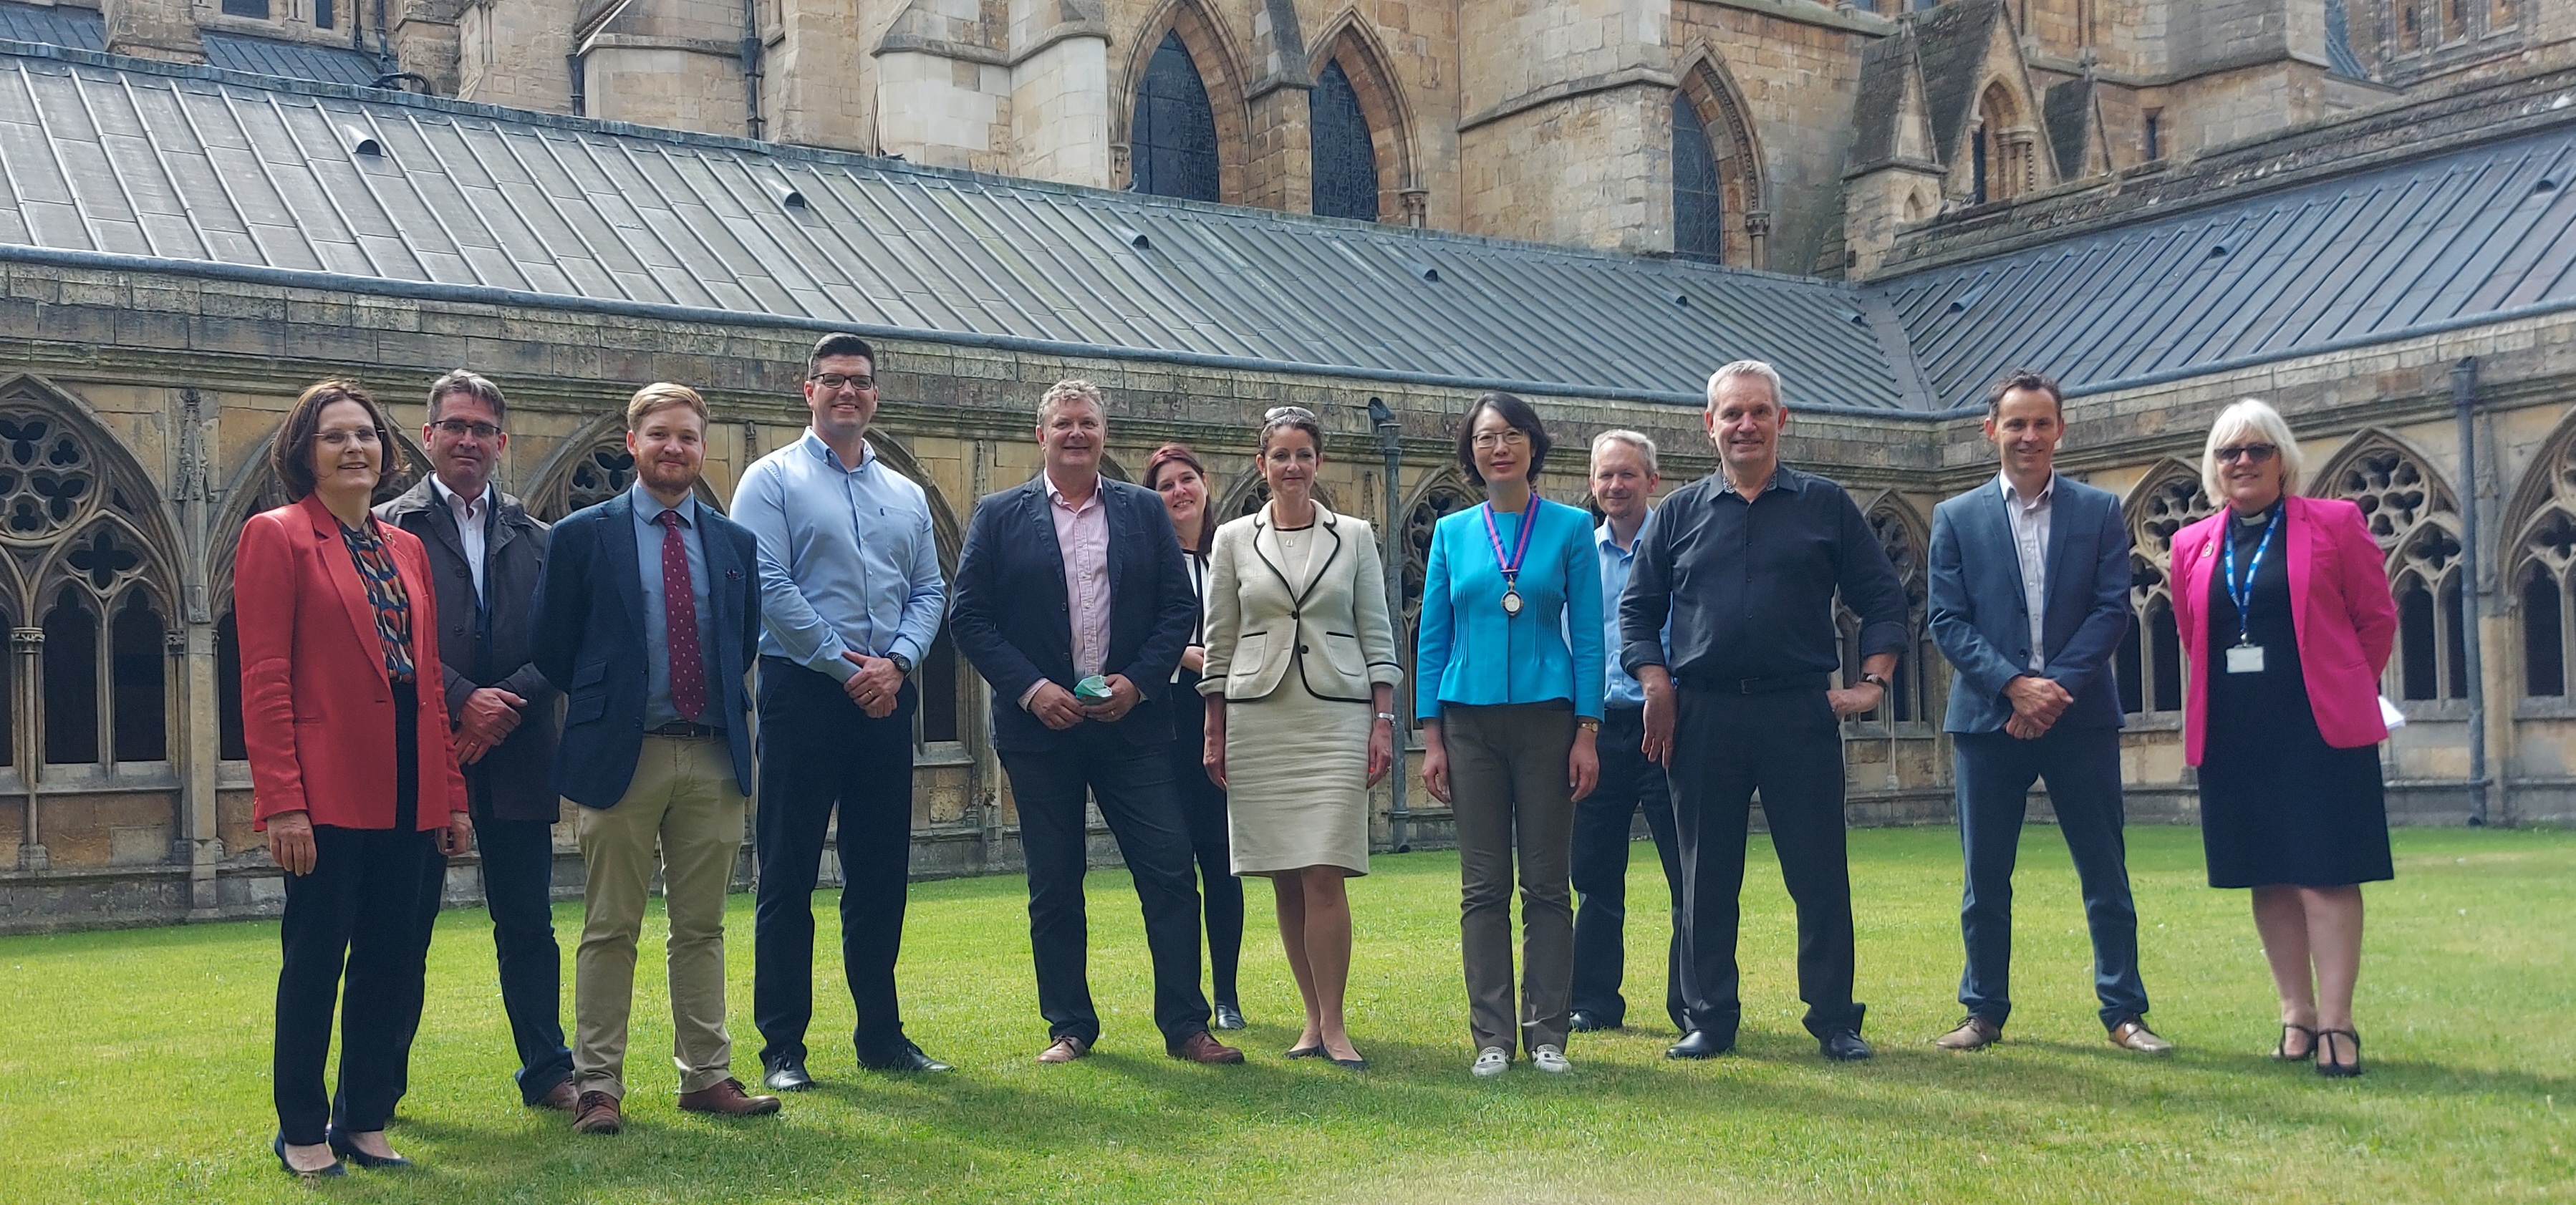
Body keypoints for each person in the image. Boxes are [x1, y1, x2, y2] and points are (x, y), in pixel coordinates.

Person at [948, 379, 1244, 1066]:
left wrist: (1139, 684)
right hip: (1039, 730)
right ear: (1040, 434)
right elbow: (969, 617)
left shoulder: (1143, 511)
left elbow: (1178, 610)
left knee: (1169, 871)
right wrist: (1031, 689)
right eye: (1063, 424)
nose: (1075, 434)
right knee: (1055, 883)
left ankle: (1186, 1025)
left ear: (1102, 435)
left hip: (1130, 728)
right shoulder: (997, 515)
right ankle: (1070, 1025)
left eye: (1086, 423)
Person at [1623, 359, 1909, 1065]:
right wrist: (1656, 682)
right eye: (1731, 413)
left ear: (1782, 420)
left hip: (1798, 712)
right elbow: (1636, 612)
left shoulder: (1825, 505)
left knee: (1817, 872)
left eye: (1758, 412)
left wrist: (1872, 682)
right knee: (1704, 875)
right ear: (1709, 424)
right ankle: (1710, 1017)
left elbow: (1884, 597)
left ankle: (1836, 1019)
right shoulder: (1679, 514)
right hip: (1706, 716)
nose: (1744, 425)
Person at [237, 380, 471, 1179]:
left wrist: (451, 795)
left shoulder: (403, 548)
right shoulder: (277, 536)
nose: (354, 449)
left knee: (393, 959)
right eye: (335, 436)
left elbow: (429, 686)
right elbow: (265, 678)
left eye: (366, 435)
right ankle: (301, 1126)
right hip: (327, 791)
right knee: (315, 960)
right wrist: (282, 804)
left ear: (386, 448)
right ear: (305, 452)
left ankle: (364, 1119)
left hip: (410, 788)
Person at [533, 382, 776, 1134]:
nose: (675, 449)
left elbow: (743, 643)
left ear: (704, 449)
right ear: (632, 442)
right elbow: (553, 647)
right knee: (611, 927)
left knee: (702, 927)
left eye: (688, 438)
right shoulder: (581, 536)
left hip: (712, 758)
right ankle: (598, 1086)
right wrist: (616, 704)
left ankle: (706, 1076)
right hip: (622, 755)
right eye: (660, 435)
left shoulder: (734, 543)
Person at [1924, 369, 2170, 1055]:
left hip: (2078, 717)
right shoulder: (1956, 516)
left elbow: (2110, 610)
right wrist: (2012, 685)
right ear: (1990, 431)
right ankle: (1982, 1011)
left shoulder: (2097, 511)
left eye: (2040, 423)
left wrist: (2050, 688)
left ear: (2060, 429)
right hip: (1986, 720)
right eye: (2015, 423)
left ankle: (2123, 1013)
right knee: (1984, 881)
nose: (2027, 436)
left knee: (2104, 873)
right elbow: (1946, 620)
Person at [735, 334, 953, 1090]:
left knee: (880, 876)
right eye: (833, 381)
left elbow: (931, 591)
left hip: (887, 696)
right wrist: (843, 663)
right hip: (803, 691)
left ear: (875, 394)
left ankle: (881, 1035)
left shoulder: (905, 494)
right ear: (808, 391)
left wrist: (896, 663)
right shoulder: (770, 481)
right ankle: (783, 1049)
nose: (847, 393)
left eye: (859, 381)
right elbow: (765, 582)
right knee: (787, 875)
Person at [2170, 398, 2396, 1078]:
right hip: (2236, 731)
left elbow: (2376, 618)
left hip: (2317, 729)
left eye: (2256, 450)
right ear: (2214, 467)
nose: (2242, 461)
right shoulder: (2191, 543)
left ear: (2281, 459)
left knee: (2325, 873)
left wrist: (2342, 682)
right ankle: (2295, 1014)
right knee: (2264, 874)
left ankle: (2337, 1022)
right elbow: (2191, 633)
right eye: (2228, 452)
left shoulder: (2335, 522)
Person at [373, 370, 575, 1111]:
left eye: (482, 429)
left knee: (527, 923)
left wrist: (506, 703)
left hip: (519, 754)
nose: (468, 440)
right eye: (454, 426)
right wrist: (462, 701)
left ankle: (549, 1071)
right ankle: (381, 1084)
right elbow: (387, 635)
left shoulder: (536, 536)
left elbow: (564, 643)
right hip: (429, 754)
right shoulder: (388, 530)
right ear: (427, 437)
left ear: (501, 441)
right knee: (404, 928)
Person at [1200, 407, 1403, 1069]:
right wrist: (1215, 727)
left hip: (1335, 717)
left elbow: (1378, 632)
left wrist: (1382, 719)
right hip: (1258, 715)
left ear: (1319, 463)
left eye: (1303, 455)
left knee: (1324, 870)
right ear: (1261, 465)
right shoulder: (1231, 539)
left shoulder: (1355, 536)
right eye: (1279, 455)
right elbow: (1220, 641)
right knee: (1285, 874)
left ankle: (1338, 1023)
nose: (1291, 466)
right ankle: (1309, 1021)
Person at [1415, 392, 1603, 1078]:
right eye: (1486, 437)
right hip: (1467, 722)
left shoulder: (1570, 528)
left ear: (1532, 445)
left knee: (1548, 883)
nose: (1499, 447)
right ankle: (1492, 1036)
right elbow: (1432, 638)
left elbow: (1588, 635)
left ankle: (1547, 1031)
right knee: (1483, 884)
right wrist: (1430, 736)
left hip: (1549, 720)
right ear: (1471, 451)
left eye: (1512, 435)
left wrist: (1587, 730)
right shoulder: (1451, 532)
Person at [1568, 430, 1687, 1036]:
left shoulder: (1680, 546)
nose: (1615, 485)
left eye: (1627, 475)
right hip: (1598, 728)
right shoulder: (1577, 554)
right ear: (1592, 483)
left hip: (1669, 728)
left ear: (1652, 480)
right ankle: (1591, 1001)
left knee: (1688, 873)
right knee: (1592, 874)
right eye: (1605, 475)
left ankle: (1692, 1002)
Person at [1144, 442, 1248, 1032]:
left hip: (1233, 717)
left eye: (1187, 479)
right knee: (1172, 867)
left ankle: (1228, 992)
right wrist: (1190, 656)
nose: (1179, 491)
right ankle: (1184, 994)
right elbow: (1132, 635)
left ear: (1205, 484)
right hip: (1168, 721)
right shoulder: (1146, 562)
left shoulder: (1233, 554)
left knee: (1222, 861)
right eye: (1165, 485)